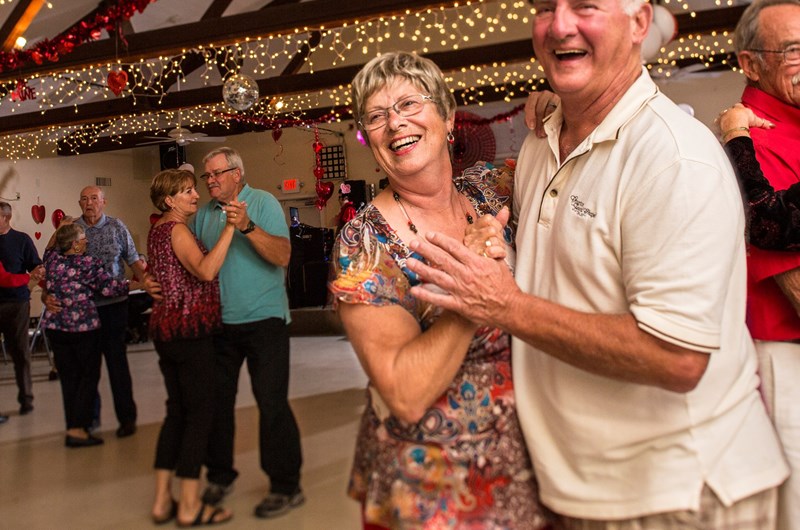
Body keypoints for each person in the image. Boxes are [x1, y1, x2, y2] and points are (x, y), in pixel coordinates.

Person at [404, 0, 789, 526]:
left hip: (678, 496)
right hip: (582, 488)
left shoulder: (675, 160)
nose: (560, 23)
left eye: (585, 5)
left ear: (638, 23)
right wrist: (501, 250)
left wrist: (503, 303)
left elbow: (676, 357)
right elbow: (569, 273)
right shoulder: (542, 143)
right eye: (546, 7)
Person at [329, 51, 545, 529]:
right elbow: (404, 393)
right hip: (432, 488)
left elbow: (560, 158)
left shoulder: (490, 190)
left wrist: (555, 104)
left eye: (408, 104)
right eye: (377, 116)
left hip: (533, 461)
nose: (394, 124)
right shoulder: (364, 243)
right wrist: (473, 289)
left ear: (448, 116)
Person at [716, 4, 800, 528]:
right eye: (793, 49)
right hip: (789, 357)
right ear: (750, 64)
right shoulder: (754, 139)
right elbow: (788, 270)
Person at [192, 147, 303, 519]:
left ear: (237, 174)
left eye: (216, 174)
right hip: (219, 324)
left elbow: (284, 255)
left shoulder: (264, 202)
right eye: (206, 176)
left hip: (264, 320)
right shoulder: (204, 214)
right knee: (215, 406)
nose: (210, 181)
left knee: (271, 403)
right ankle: (220, 476)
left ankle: (286, 485)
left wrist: (247, 227)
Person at [147, 168, 234, 526]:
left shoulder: (156, 231)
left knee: (177, 413)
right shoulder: (177, 229)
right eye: (186, 192)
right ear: (169, 200)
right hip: (189, 331)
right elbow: (205, 270)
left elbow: (158, 274)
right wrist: (231, 228)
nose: (195, 196)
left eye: (194, 190)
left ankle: (161, 501)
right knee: (200, 415)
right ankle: (189, 505)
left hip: (167, 330)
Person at [47, 187, 146, 438]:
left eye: (94, 198)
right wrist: (46, 296)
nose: (89, 203)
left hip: (114, 307)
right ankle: (87, 420)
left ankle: (127, 419)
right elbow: (50, 265)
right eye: (84, 198)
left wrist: (147, 283)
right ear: (79, 202)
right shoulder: (71, 231)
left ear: (104, 202)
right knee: (86, 369)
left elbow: (133, 260)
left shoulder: (116, 227)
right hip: (81, 311)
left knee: (116, 363)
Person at [42, 224, 130, 447]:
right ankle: (78, 429)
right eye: (82, 237)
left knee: (69, 379)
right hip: (83, 328)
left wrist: (62, 229)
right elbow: (110, 289)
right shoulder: (88, 264)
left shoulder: (52, 260)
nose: (87, 240)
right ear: (75, 244)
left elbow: (51, 246)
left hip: (56, 327)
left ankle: (72, 424)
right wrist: (135, 284)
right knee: (87, 378)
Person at [0, 201, 42, 418]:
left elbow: (36, 266)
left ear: (6, 218)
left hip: (16, 303)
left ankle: (26, 398)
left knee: (20, 351)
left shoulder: (21, 240)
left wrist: (33, 280)